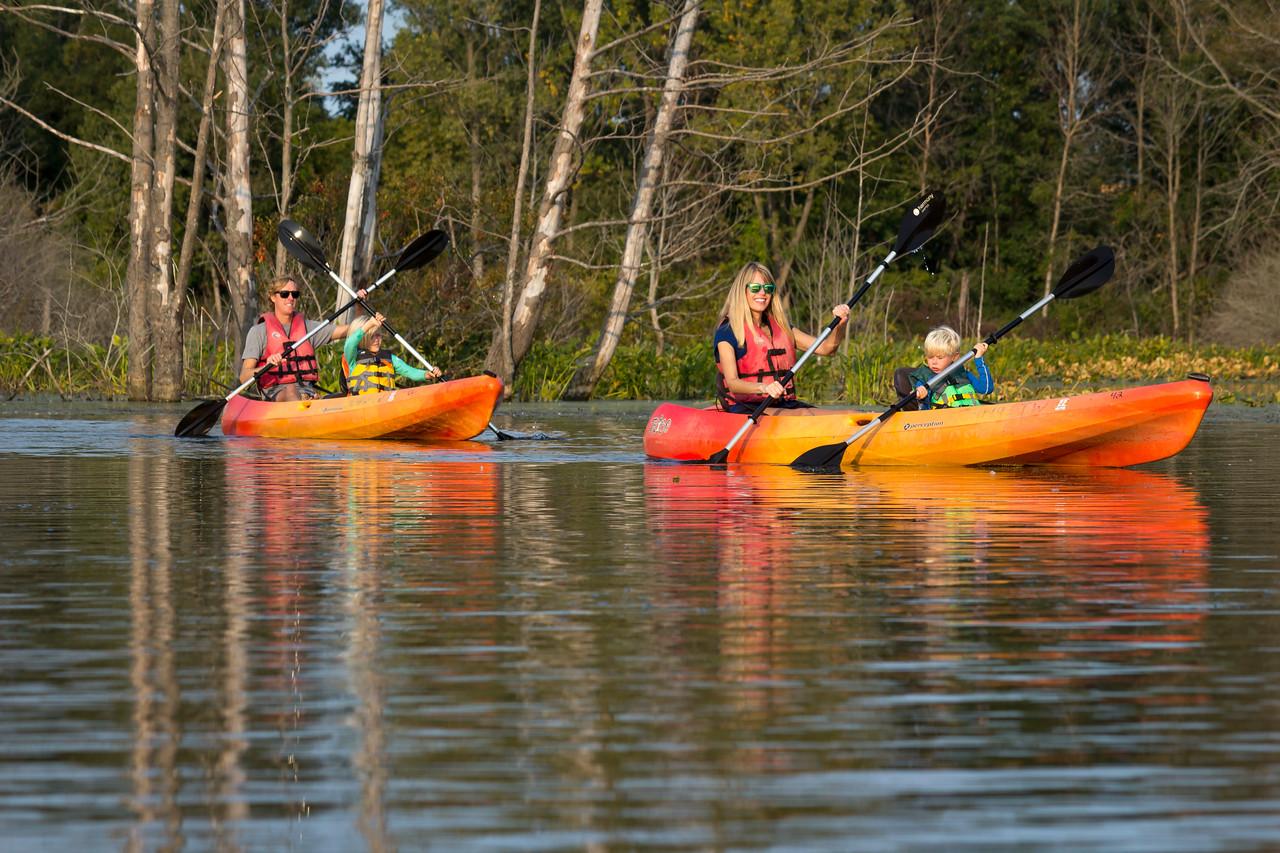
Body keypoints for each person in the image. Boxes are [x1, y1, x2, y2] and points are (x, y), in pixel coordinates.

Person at [714, 261, 849, 415]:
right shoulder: (728, 331)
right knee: (805, 415)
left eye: (768, 288)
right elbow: (732, 383)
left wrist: (840, 324)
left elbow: (827, 349)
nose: (762, 293)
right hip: (746, 407)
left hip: (783, 404)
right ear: (742, 291)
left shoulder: (782, 328)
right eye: (755, 288)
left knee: (846, 413)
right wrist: (764, 387)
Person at [239, 276, 365, 402]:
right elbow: (244, 377)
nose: (290, 298)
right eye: (284, 294)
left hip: (307, 391)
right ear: (273, 297)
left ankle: (307, 403)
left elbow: (351, 330)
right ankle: (302, 404)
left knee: (345, 395)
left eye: (294, 294)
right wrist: (267, 366)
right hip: (275, 394)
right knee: (290, 390)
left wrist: (359, 306)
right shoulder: (258, 332)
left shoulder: (308, 328)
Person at [343, 312, 441, 395]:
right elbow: (350, 343)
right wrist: (369, 324)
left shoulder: (389, 358)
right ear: (363, 339)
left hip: (384, 403)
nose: (377, 340)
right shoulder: (353, 357)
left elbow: (410, 372)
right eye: (372, 336)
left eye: (378, 335)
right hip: (362, 404)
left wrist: (427, 374)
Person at [907, 325, 993, 409]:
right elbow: (922, 403)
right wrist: (920, 395)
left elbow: (986, 389)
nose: (934, 362)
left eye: (940, 357)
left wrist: (979, 359)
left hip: (972, 415)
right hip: (943, 419)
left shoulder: (962, 374)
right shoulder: (924, 378)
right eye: (930, 357)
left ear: (954, 357)